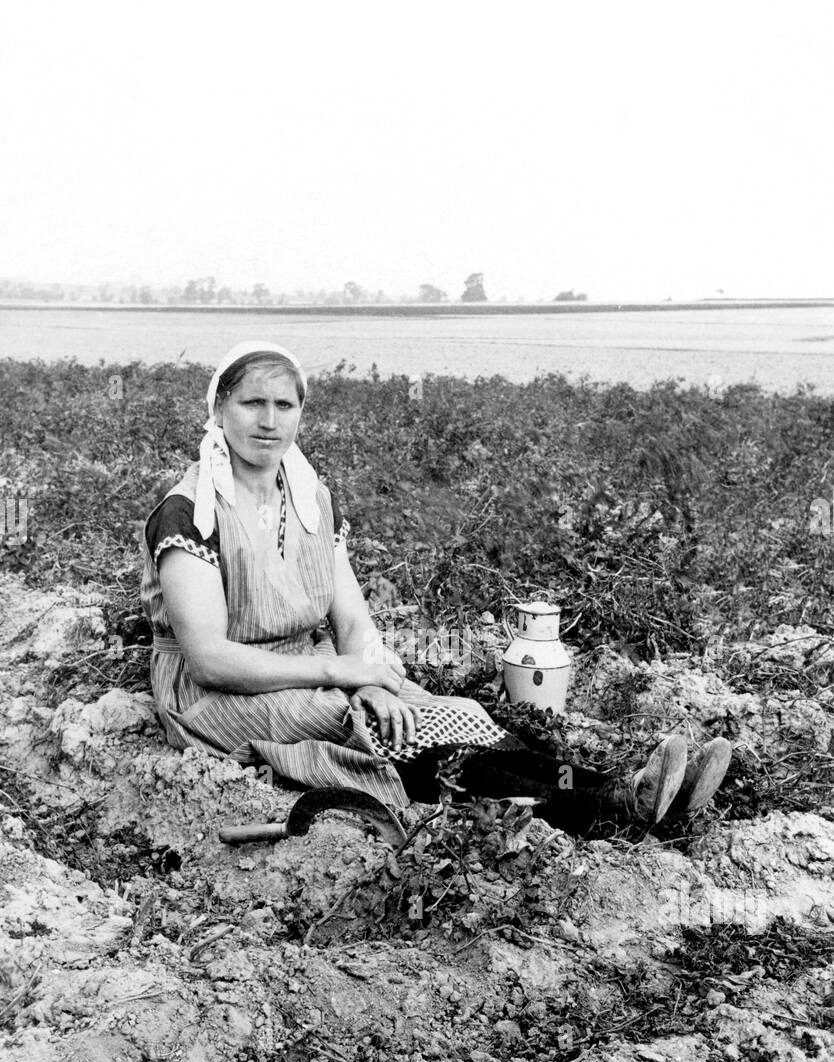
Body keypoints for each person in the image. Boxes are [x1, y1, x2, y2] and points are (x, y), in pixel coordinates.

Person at [140, 340, 731, 838]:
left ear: (300, 414)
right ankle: (604, 809)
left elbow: (352, 619)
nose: (268, 421)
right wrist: (345, 677)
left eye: (283, 405)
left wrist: (370, 674)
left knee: (454, 714)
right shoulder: (190, 510)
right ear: (219, 409)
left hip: (311, 664)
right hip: (214, 695)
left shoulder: (310, 498)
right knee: (393, 737)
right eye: (251, 404)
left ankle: (624, 793)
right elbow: (210, 659)